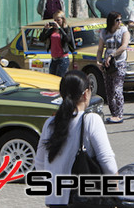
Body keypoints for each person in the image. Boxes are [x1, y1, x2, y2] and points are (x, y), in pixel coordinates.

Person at [36, 70, 117, 206]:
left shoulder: (50, 123)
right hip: (83, 201)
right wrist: (116, 192)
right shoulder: (91, 120)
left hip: (55, 201)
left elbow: (39, 163)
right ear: (86, 93)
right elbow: (107, 162)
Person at [96, 11, 130, 124]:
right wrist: (98, 61)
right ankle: (114, 113)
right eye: (117, 20)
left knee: (117, 89)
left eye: (121, 20)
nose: (120, 22)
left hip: (119, 63)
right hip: (108, 65)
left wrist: (112, 55)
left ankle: (120, 114)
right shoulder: (104, 32)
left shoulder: (123, 30)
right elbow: (100, 49)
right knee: (109, 90)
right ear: (111, 21)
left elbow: (124, 46)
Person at [39, 10, 75, 76]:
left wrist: (60, 29)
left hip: (63, 59)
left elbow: (67, 39)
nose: (56, 22)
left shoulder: (66, 29)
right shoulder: (52, 30)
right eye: (55, 20)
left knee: (59, 79)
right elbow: (41, 39)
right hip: (54, 59)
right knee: (52, 78)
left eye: (58, 20)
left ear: (63, 20)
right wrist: (45, 29)